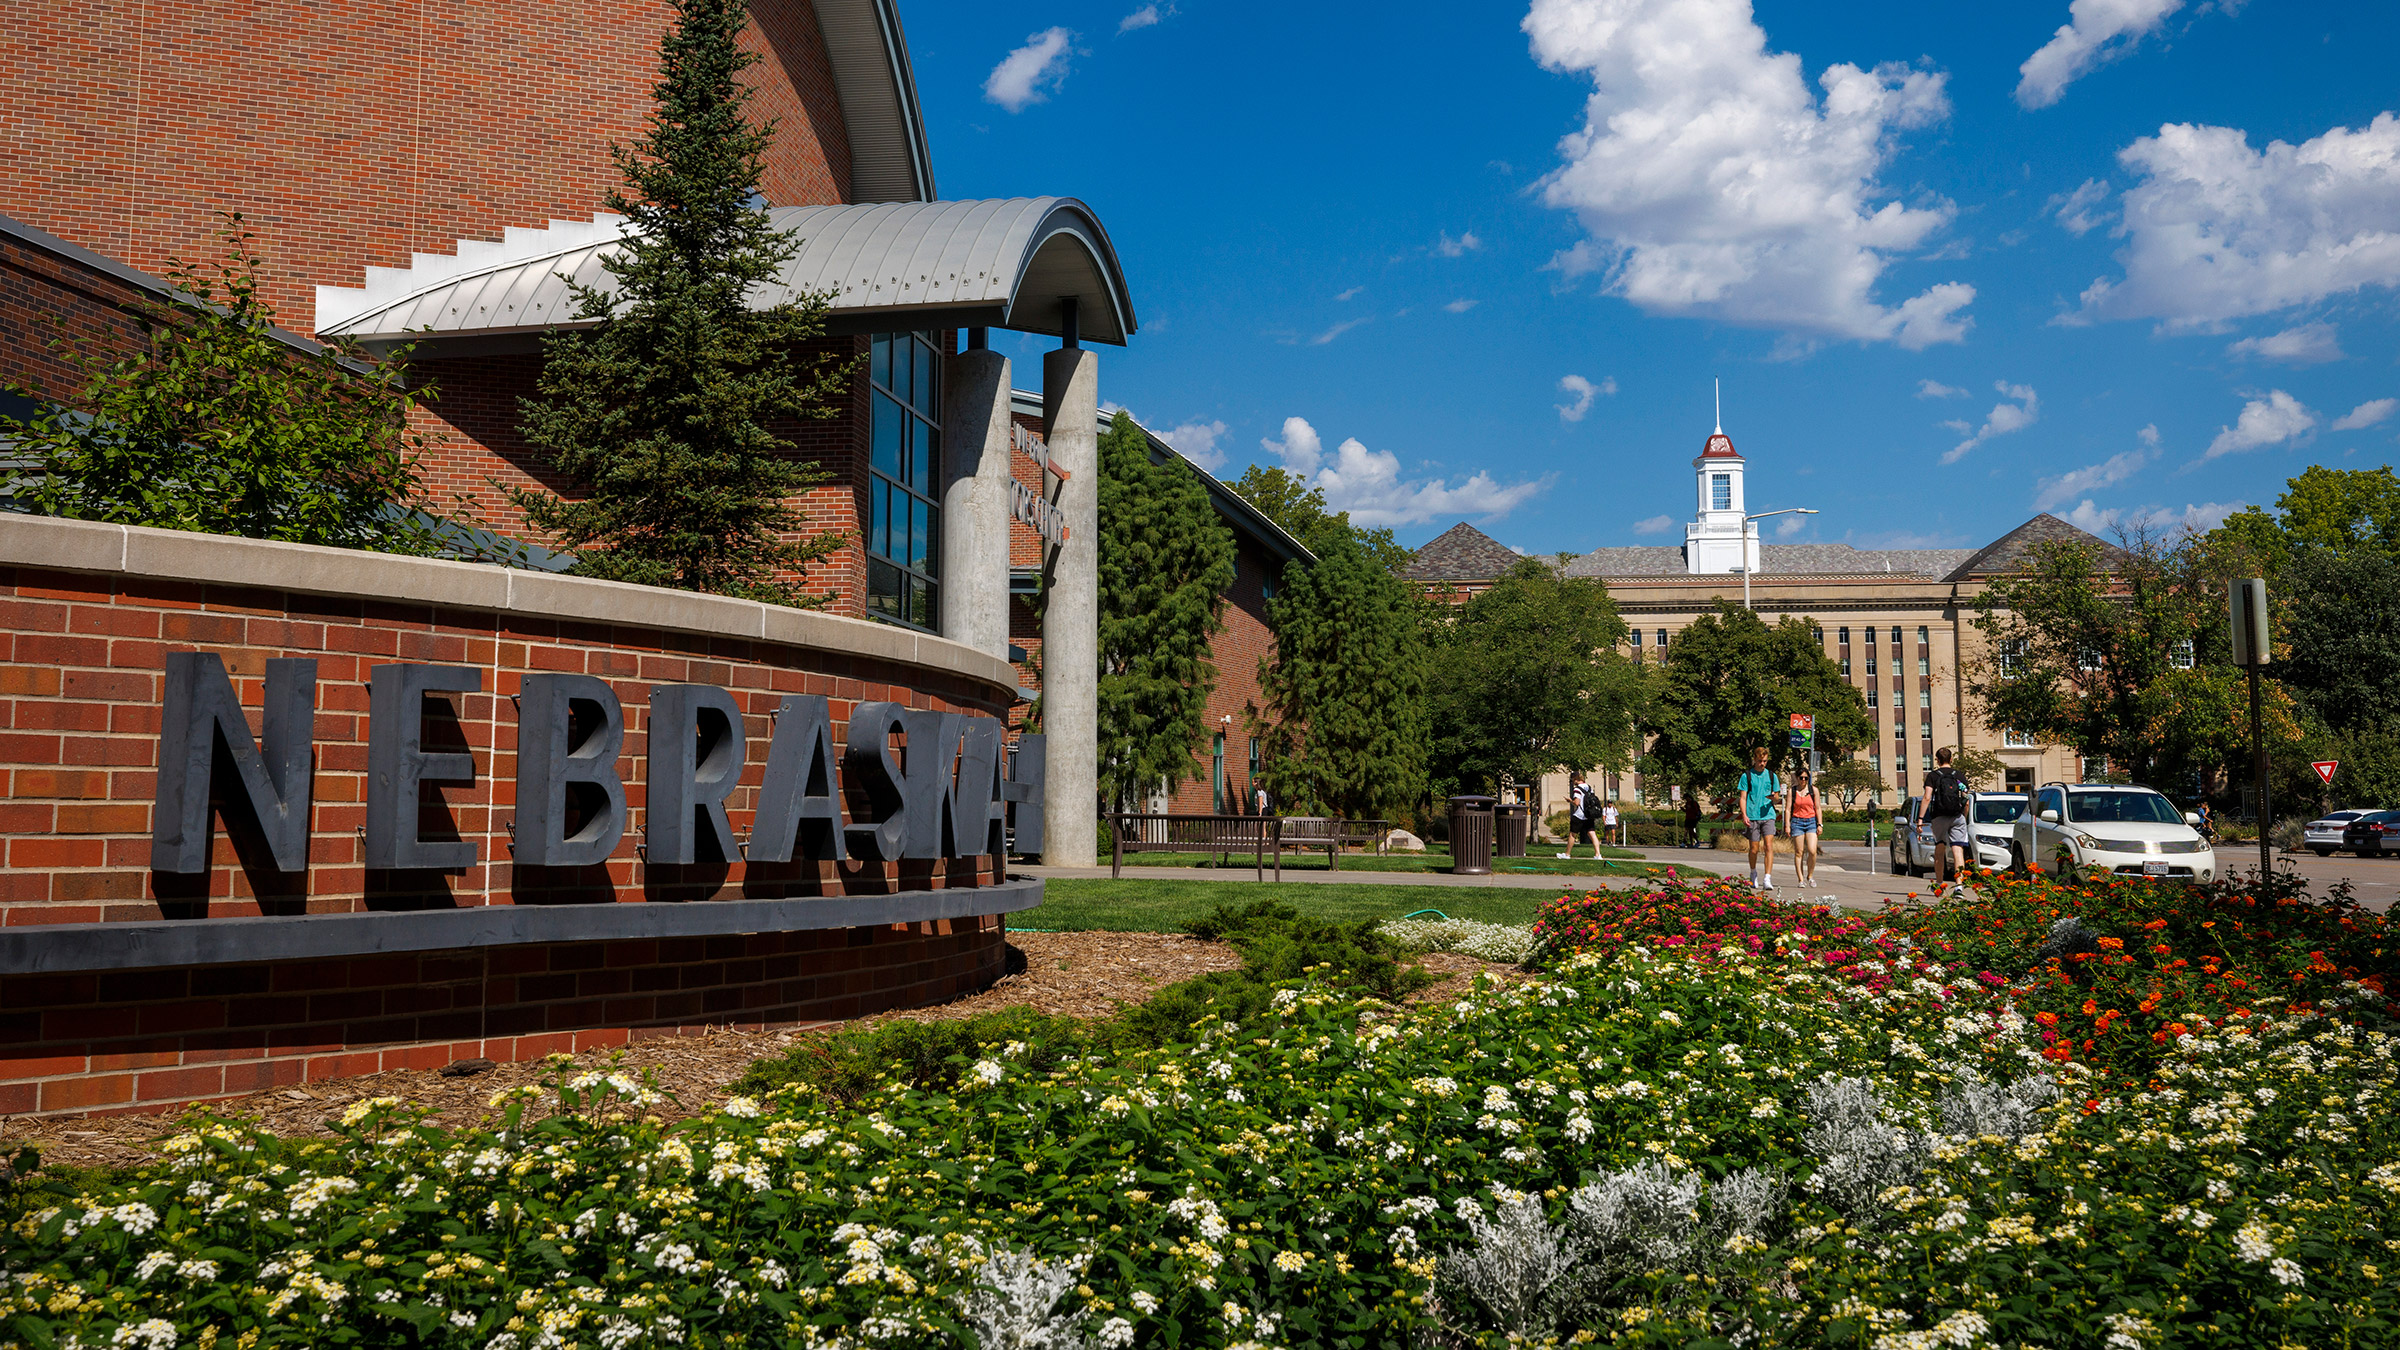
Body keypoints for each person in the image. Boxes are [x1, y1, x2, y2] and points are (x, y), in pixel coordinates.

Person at [1922, 746, 1973, 894]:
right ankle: (1959, 887)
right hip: (1957, 816)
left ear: (1937, 760)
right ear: (1951, 759)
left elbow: (1927, 798)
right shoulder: (1959, 775)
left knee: (1939, 849)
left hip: (1939, 816)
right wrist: (1964, 816)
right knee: (1958, 851)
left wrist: (1920, 819)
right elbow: (1966, 799)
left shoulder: (1933, 776)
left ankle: (1939, 884)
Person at [1737, 746, 1783, 891]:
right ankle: (1753, 873)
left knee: (1769, 846)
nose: (1762, 764)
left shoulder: (1771, 776)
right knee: (1754, 849)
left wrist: (1775, 797)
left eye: (1764, 761)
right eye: (1759, 761)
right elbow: (1743, 797)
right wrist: (1744, 814)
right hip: (1752, 815)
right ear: (1754, 760)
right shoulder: (1747, 776)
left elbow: (1777, 798)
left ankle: (1767, 878)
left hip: (1768, 814)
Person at [1789, 767, 1822, 886]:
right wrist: (1787, 825)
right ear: (1797, 778)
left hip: (1811, 822)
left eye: (1806, 778)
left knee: (1812, 851)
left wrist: (1820, 824)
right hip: (1797, 822)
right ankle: (1801, 879)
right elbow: (1788, 809)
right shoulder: (1792, 791)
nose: (1803, 780)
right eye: (1801, 778)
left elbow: (1818, 808)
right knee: (1799, 852)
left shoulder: (1814, 790)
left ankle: (1810, 875)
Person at [1562, 772, 1598, 858]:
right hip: (1589, 814)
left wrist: (1570, 801)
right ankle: (1598, 854)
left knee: (1572, 834)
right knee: (1592, 834)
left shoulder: (1577, 789)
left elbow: (1577, 803)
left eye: (1572, 780)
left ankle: (1567, 854)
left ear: (1575, 779)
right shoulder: (1589, 788)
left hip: (1579, 815)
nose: (1572, 782)